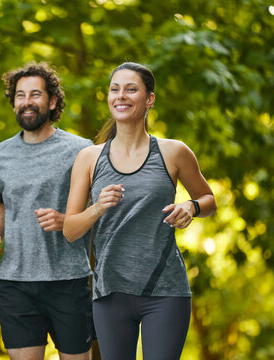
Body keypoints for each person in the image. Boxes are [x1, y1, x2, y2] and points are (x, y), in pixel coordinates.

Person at [63, 62, 217, 360]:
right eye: (114, 89)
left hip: (165, 291)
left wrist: (191, 206)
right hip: (110, 294)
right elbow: (70, 230)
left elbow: (208, 199)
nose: (121, 96)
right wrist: (97, 208)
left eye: (131, 89)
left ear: (149, 99)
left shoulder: (174, 152)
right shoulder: (89, 158)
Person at [0, 62, 94, 360]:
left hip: (68, 280)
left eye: (35, 94)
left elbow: (101, 209)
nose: (27, 102)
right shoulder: (1, 154)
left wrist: (66, 221)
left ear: (52, 101)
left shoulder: (81, 150)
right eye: (20, 95)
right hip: (16, 282)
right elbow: (1, 203)